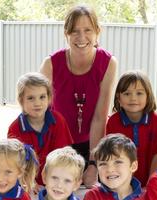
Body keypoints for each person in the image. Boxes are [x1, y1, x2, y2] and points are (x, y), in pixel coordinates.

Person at [40, 4, 117, 187]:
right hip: (56, 144)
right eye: (74, 31)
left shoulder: (108, 63)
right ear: (66, 34)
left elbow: (100, 117)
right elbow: (39, 113)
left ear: (97, 32)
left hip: (91, 145)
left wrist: (93, 163)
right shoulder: (51, 64)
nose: (81, 37)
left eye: (88, 30)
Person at [8, 72, 73, 188]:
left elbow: (65, 156)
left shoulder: (58, 120)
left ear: (49, 98)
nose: (37, 103)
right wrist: (29, 182)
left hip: (57, 180)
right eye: (31, 98)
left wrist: (54, 182)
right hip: (28, 183)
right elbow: (15, 163)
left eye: (42, 97)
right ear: (21, 100)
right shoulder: (15, 128)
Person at [105, 71, 157, 186]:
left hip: (150, 181)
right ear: (119, 98)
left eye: (139, 93)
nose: (133, 98)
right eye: (127, 94)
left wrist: (151, 184)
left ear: (148, 95)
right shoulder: (113, 122)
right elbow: (113, 156)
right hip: (121, 183)